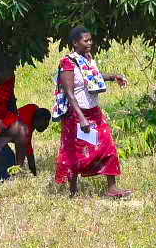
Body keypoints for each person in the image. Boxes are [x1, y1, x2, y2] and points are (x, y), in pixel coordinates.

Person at [53, 29, 125, 198]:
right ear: (75, 43)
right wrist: (82, 118)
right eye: (86, 41)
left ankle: (111, 188)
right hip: (77, 115)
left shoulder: (88, 60)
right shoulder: (67, 63)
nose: (90, 43)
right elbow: (69, 94)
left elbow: (95, 77)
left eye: (91, 40)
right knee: (74, 152)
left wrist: (114, 77)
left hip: (94, 112)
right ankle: (73, 191)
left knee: (108, 146)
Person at [0, 68, 40, 181]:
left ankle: (18, 169)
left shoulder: (10, 78)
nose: (8, 76)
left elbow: (11, 98)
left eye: (10, 73)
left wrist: (13, 117)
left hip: (4, 120)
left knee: (22, 130)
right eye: (5, 73)